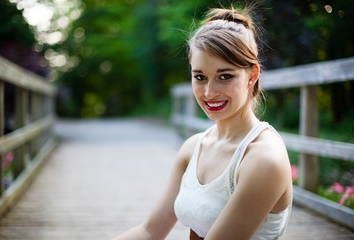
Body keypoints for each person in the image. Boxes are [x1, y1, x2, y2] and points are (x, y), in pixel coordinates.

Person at [112, 5, 292, 240]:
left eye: (225, 76)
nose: (209, 92)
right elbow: (150, 231)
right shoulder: (193, 147)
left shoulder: (263, 159)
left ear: (253, 75)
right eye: (200, 77)